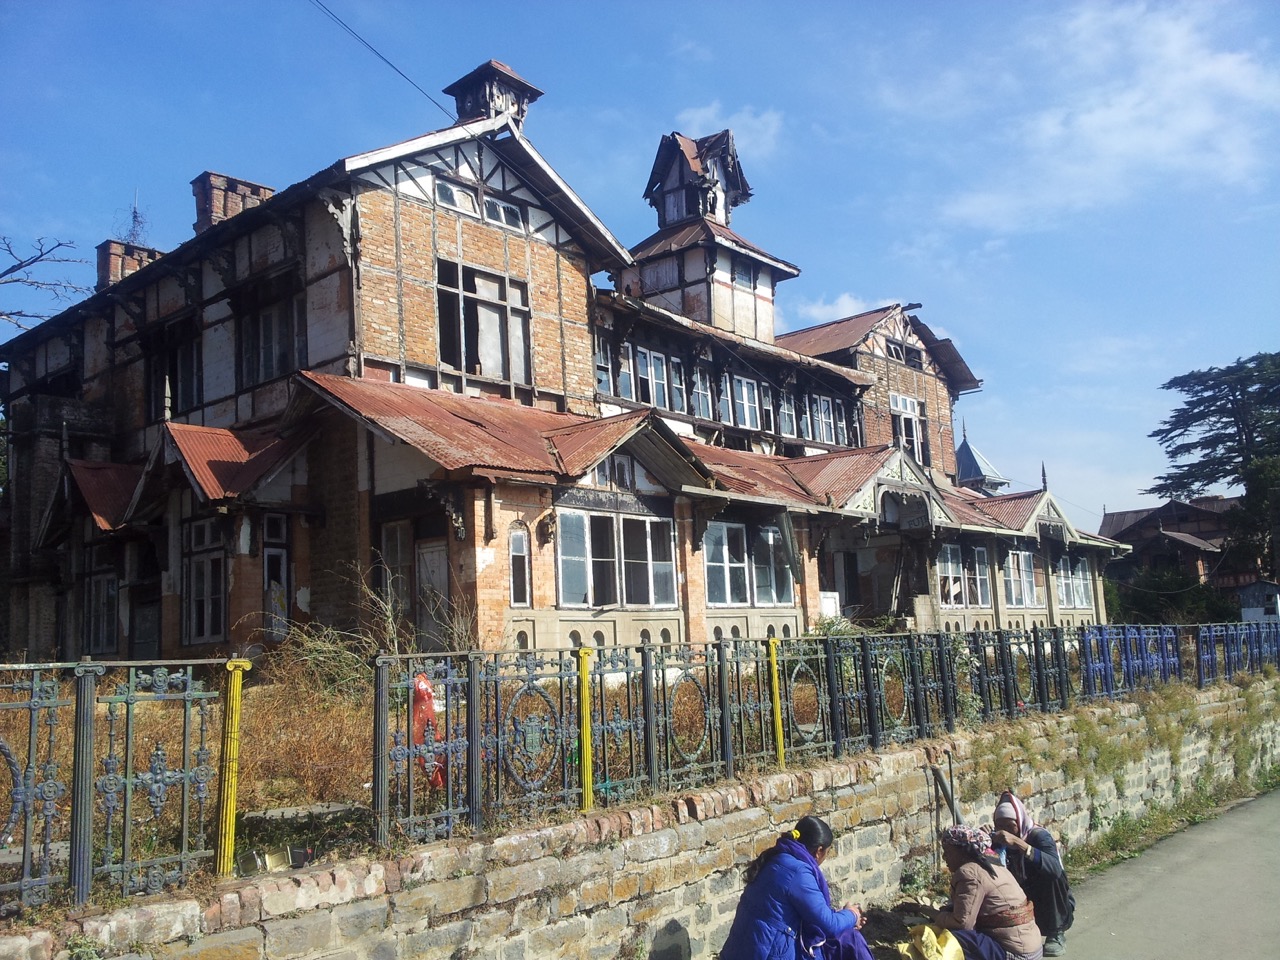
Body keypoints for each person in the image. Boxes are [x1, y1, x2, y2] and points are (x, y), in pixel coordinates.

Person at [720, 815, 873, 960]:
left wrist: (842, 916)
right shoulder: (798, 873)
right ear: (819, 851)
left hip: (740, 950)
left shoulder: (775, 858)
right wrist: (852, 915)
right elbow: (829, 925)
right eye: (827, 852)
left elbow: (811, 911)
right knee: (851, 939)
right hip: (766, 953)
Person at [928, 824, 1043, 960]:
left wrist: (936, 916)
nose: (944, 857)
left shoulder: (969, 872)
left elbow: (962, 923)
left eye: (948, 851)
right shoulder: (994, 864)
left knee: (951, 938)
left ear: (963, 851)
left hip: (1017, 954)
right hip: (1032, 950)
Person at [989, 791, 1074, 957]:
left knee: (1051, 876)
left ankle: (1056, 932)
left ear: (1020, 822)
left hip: (1049, 901)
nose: (1005, 831)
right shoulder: (998, 840)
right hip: (1020, 899)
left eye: (1010, 826)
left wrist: (1020, 844)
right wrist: (984, 839)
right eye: (1000, 825)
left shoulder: (1039, 836)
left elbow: (1055, 869)